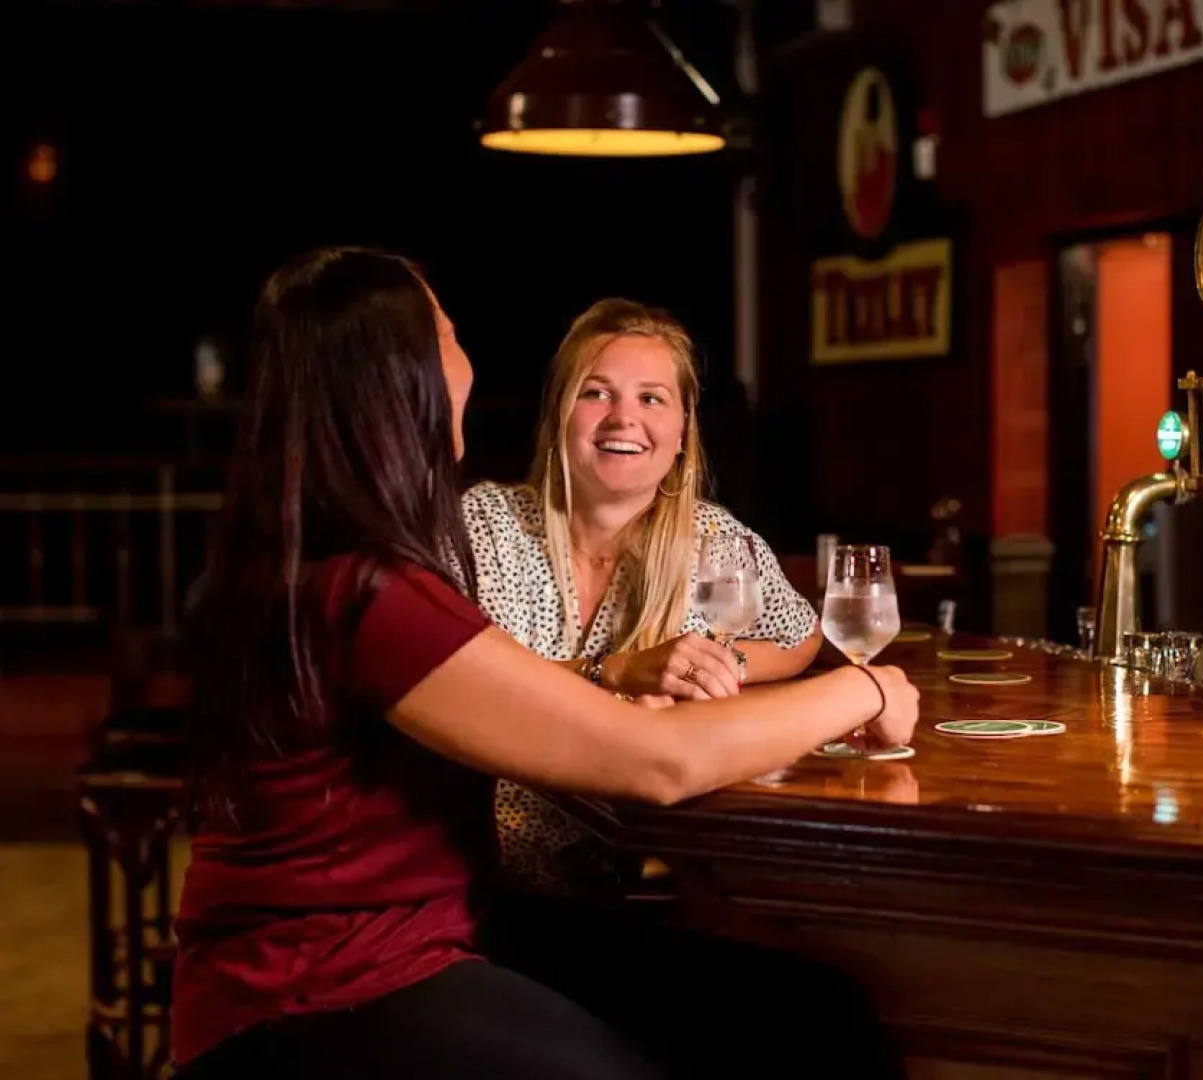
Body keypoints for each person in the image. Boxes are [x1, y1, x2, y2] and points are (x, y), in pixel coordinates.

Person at [171, 246, 917, 1079]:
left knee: (811, 1011)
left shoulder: (338, 565)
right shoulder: (370, 592)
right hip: (315, 992)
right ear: (400, 377)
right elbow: (658, 761)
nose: (467, 358)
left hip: (435, 929)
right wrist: (868, 686)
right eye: (448, 333)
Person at [460, 298, 821, 892]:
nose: (623, 418)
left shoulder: (713, 536)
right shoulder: (485, 525)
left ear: (681, 433)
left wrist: (711, 664)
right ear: (559, 417)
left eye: (651, 398)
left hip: (645, 861)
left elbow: (798, 634)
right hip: (485, 874)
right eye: (596, 393)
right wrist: (619, 672)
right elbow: (474, 693)